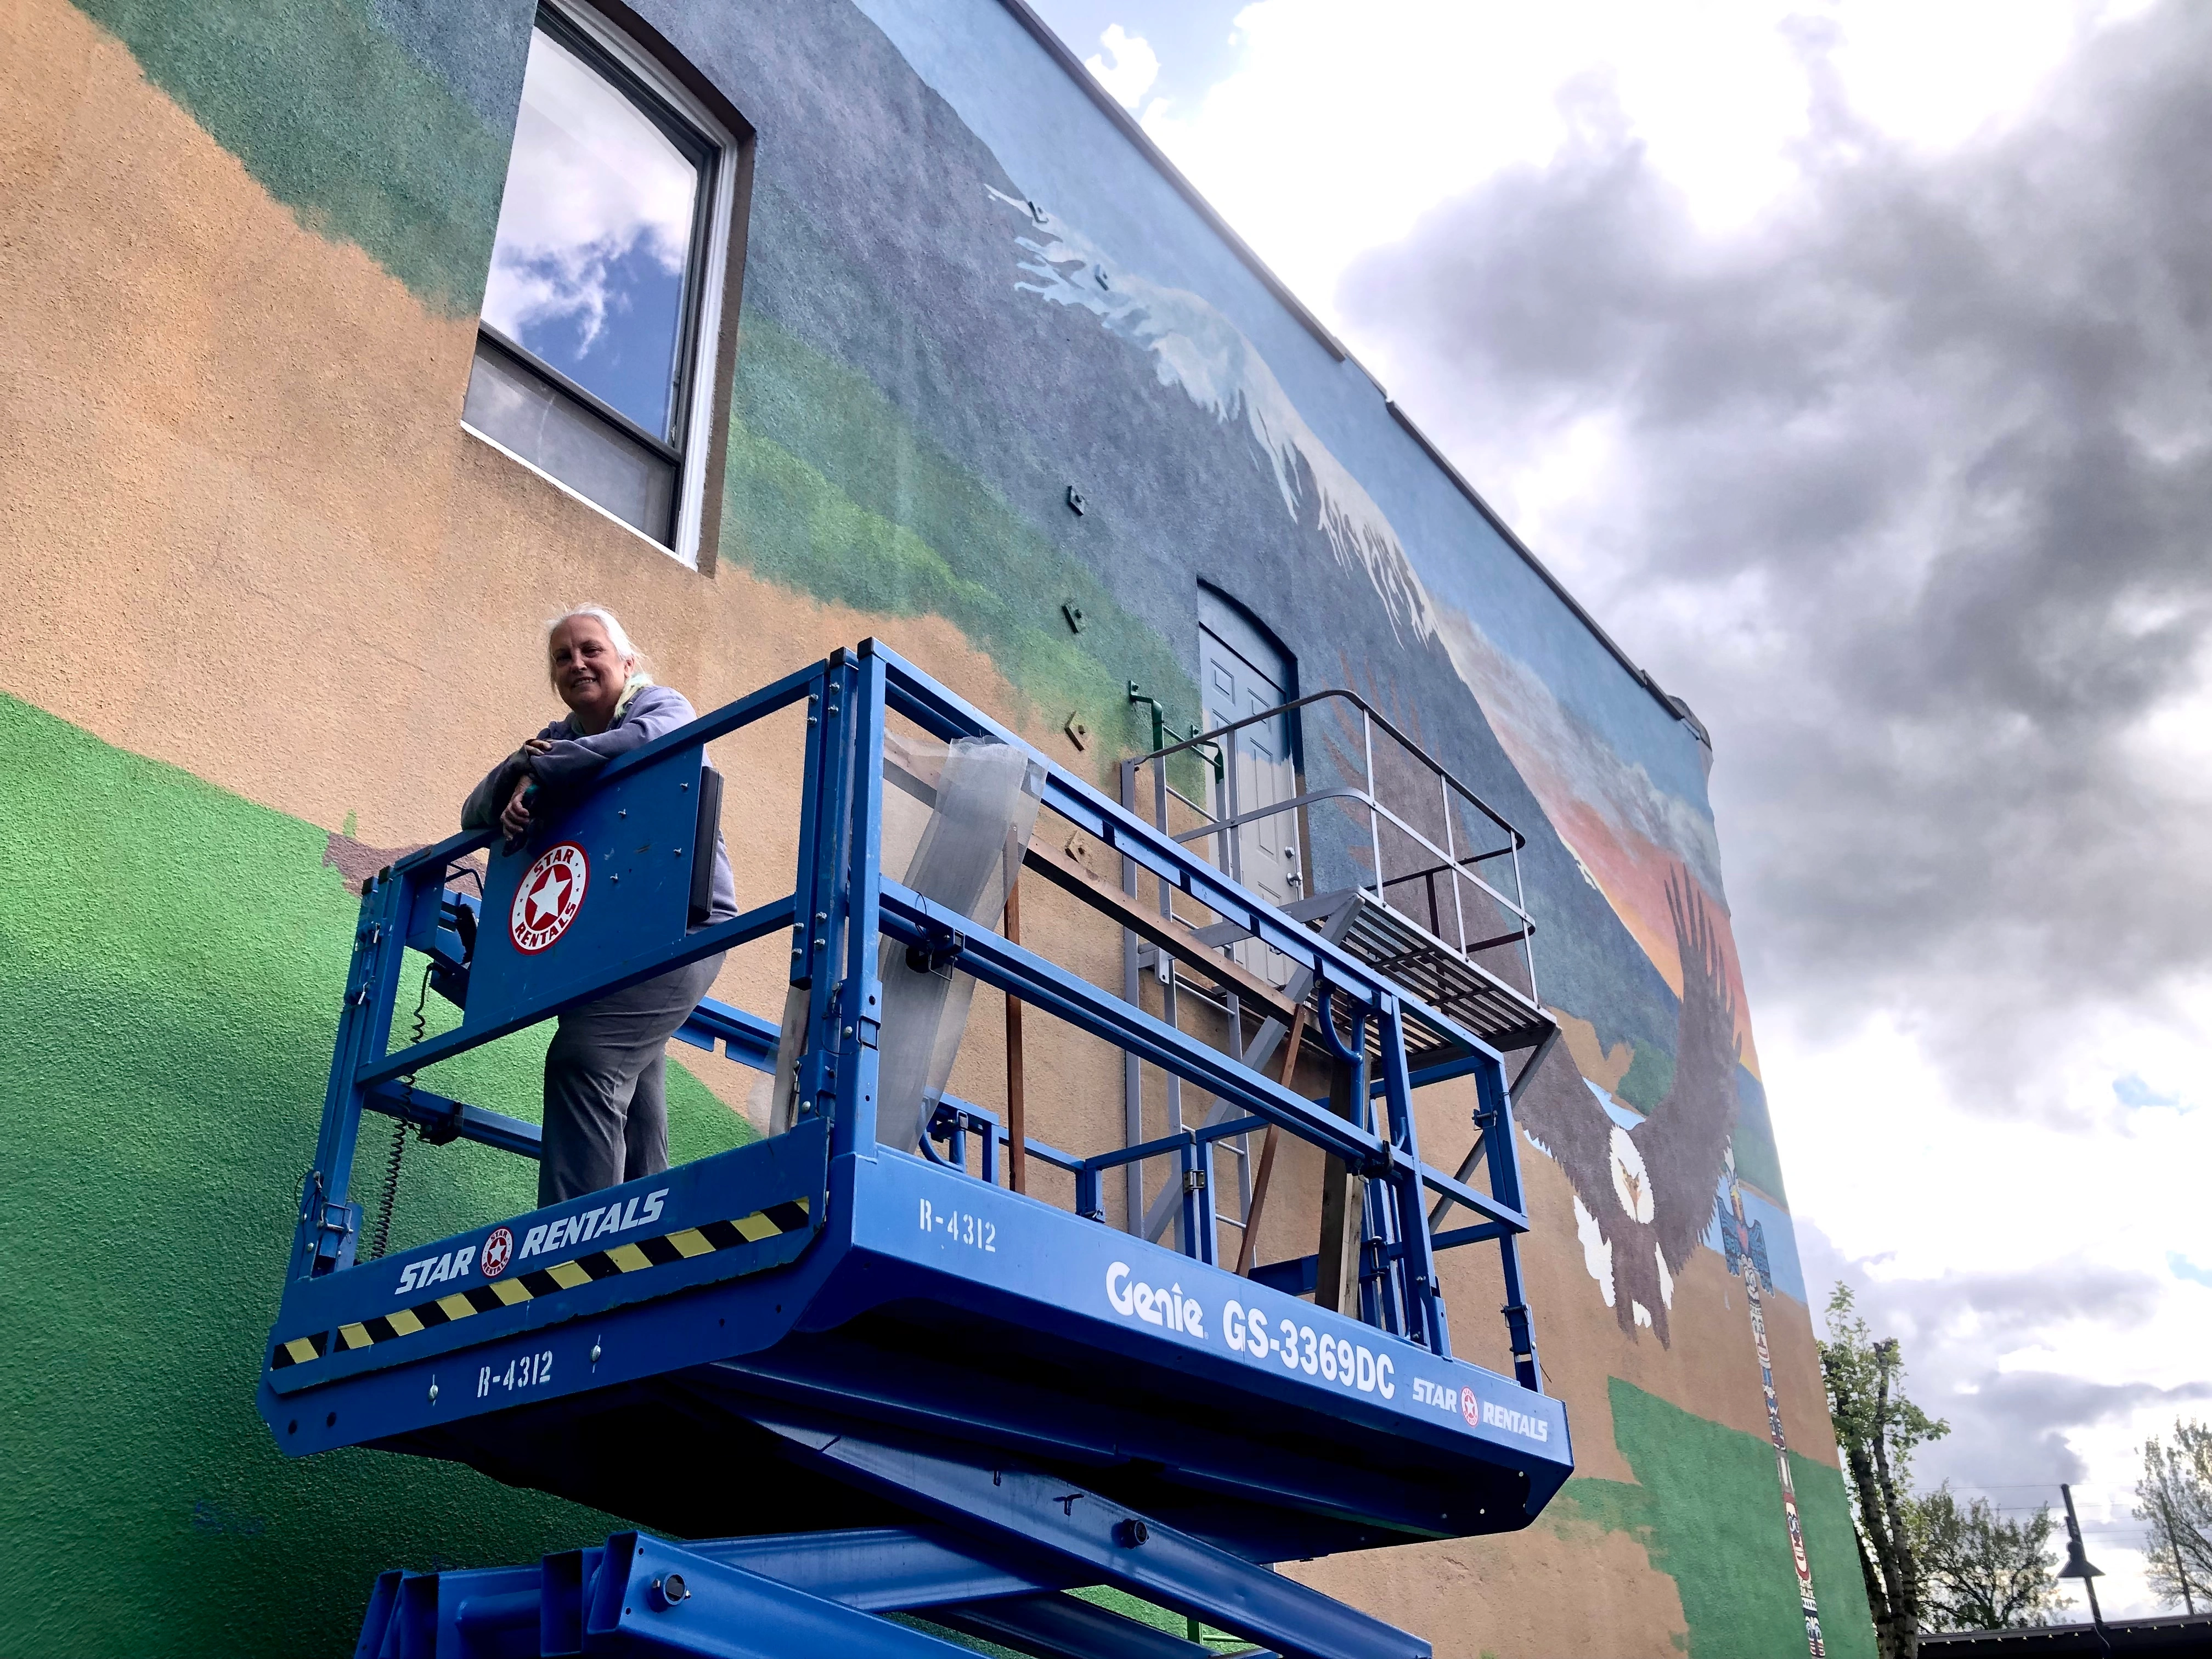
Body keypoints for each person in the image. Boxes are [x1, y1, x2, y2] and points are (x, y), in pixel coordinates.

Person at [462, 606, 737, 1206]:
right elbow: (472, 810)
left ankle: (572, 1244)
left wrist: (540, 773)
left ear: (626, 662)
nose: (577, 663)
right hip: (617, 939)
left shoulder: (661, 704)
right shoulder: (559, 739)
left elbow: (648, 742)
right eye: (563, 657)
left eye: (591, 650)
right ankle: (644, 1220)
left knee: (585, 1059)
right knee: (632, 1076)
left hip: (684, 927)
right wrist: (519, 774)